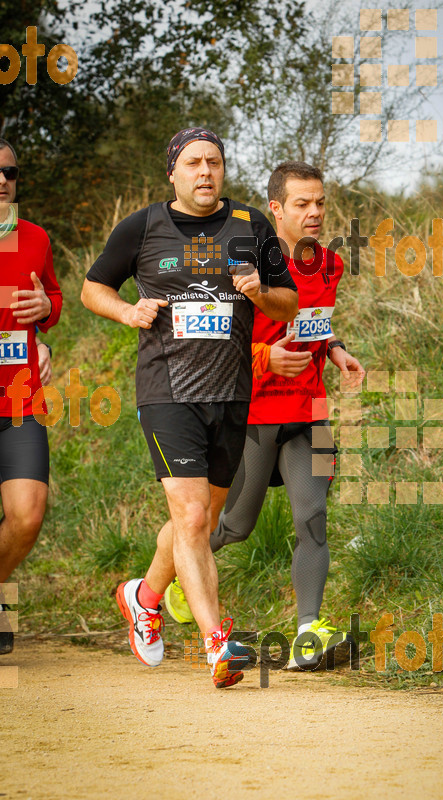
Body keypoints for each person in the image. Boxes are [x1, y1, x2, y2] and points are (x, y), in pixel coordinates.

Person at [81, 128, 298, 688]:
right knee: (194, 517)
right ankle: (216, 642)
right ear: (173, 172)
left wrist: (257, 294)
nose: (206, 172)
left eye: (215, 162)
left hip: (230, 392)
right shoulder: (143, 226)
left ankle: (143, 596)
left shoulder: (252, 226)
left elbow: (289, 300)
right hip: (166, 390)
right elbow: (92, 288)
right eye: (194, 163)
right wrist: (128, 312)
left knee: (195, 519)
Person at [165, 161, 365, 670]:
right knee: (234, 526)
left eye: (320, 202)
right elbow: (209, 340)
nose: (315, 213)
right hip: (252, 413)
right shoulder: (244, 261)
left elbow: (313, 322)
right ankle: (175, 581)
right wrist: (263, 358)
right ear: (276, 208)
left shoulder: (330, 264)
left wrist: (335, 348)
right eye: (302, 204)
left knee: (312, 518)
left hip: (309, 410)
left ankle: (307, 633)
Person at [0, 138, 62, 655]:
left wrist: (45, 308)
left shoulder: (36, 238)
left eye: (10, 173)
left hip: (20, 398)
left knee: (29, 512)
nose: (2, 180)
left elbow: (55, 297)